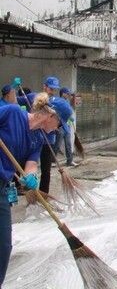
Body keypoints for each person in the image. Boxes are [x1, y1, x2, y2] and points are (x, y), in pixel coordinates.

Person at [0, 94, 72, 286]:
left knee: (4, 246)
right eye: (59, 124)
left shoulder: (38, 138)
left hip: (2, 188)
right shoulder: (13, 112)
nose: (58, 130)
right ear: (51, 115)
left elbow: (31, 163)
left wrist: (31, 176)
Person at [17, 76, 61, 194]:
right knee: (22, 163)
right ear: (44, 86)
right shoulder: (32, 97)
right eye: (51, 88)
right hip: (31, 138)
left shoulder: (55, 103)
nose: (52, 92)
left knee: (45, 169)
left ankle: (43, 194)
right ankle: (20, 187)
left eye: (54, 89)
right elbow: (15, 101)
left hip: (48, 140)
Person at [53, 87, 76, 166]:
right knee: (57, 144)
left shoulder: (66, 102)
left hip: (67, 126)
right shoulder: (58, 102)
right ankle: (52, 161)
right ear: (63, 94)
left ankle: (69, 161)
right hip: (60, 126)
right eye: (67, 94)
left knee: (68, 144)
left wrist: (70, 120)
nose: (69, 95)